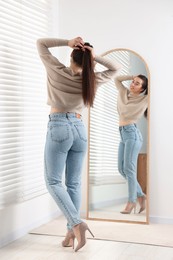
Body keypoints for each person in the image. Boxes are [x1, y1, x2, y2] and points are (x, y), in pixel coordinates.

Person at [36, 37, 121, 251]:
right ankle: (70, 234)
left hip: (58, 127)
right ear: (89, 62)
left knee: (54, 182)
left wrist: (68, 41)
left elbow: (41, 43)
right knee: (73, 184)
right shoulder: (92, 79)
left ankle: (76, 224)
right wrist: (93, 56)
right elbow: (115, 68)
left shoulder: (57, 70)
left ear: (71, 57)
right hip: (79, 129)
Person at [114, 74, 148, 214]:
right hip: (122, 133)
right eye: (133, 82)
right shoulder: (123, 92)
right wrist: (132, 76)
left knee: (129, 169)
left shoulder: (145, 99)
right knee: (122, 169)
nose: (133, 84)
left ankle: (131, 201)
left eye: (137, 83)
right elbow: (116, 79)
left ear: (142, 89)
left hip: (132, 134)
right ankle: (141, 195)